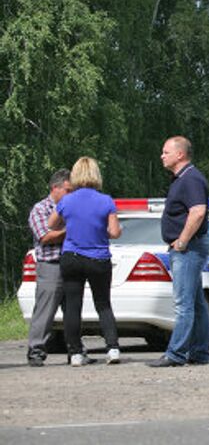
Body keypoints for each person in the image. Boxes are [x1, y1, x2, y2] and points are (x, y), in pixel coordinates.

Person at [49, 157, 122, 367]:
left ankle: (75, 353)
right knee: (103, 304)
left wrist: (70, 223)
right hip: (98, 258)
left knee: (73, 305)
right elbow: (114, 232)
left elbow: (51, 224)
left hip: (71, 257)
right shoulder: (106, 200)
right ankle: (113, 348)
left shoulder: (67, 201)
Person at [148, 136, 209, 367]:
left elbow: (198, 212)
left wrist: (182, 241)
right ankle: (199, 353)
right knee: (196, 303)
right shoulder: (181, 179)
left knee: (183, 303)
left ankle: (176, 354)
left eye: (166, 152)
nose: (162, 156)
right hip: (190, 246)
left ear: (180, 154)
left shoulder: (191, 179)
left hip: (189, 248)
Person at [26, 169, 72, 367]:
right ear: (56, 188)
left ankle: (76, 350)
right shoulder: (40, 209)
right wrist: (70, 230)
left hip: (71, 264)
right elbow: (44, 236)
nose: (72, 195)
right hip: (50, 265)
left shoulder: (72, 207)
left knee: (73, 310)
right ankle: (36, 349)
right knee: (45, 311)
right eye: (68, 190)